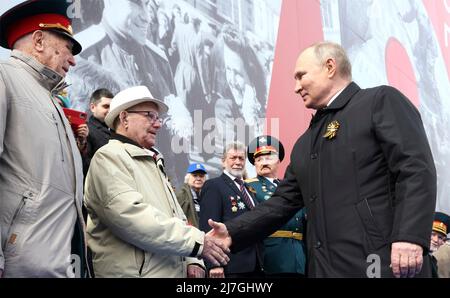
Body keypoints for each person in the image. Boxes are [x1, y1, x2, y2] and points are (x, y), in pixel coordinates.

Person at [207, 41, 437, 278]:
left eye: (301, 76)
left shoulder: (379, 101)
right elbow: (282, 202)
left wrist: (409, 235)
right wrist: (233, 232)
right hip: (325, 268)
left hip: (382, 262)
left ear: (329, 67)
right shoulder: (305, 143)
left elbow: (415, 169)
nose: (296, 87)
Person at [84, 85, 229, 277]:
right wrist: (197, 243)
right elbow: (131, 217)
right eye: (149, 116)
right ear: (124, 117)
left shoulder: (152, 160)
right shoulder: (108, 157)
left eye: (158, 117)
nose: (158, 124)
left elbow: (178, 218)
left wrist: (192, 260)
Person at [0, 0, 88, 277]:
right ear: (39, 40)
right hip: (18, 264)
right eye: (67, 48)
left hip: (51, 264)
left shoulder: (49, 99)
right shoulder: (4, 77)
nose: (73, 60)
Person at [199, 142, 263, 278]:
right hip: (231, 265)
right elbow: (209, 226)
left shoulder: (248, 188)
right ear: (223, 162)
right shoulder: (214, 186)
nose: (238, 162)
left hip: (256, 264)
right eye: (233, 158)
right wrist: (214, 264)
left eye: (241, 158)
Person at [246, 135, 306, 277]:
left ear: (278, 160)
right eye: (259, 159)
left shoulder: (289, 187)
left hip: (298, 253)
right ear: (254, 164)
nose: (264, 162)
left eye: (268, 158)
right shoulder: (249, 186)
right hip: (272, 255)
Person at [83, 88, 113, 176]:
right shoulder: (86, 130)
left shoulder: (115, 132)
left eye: (112, 107)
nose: (110, 110)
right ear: (93, 107)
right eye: (106, 106)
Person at [176, 163, 208, 228]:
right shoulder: (180, 196)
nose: (198, 178)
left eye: (201, 176)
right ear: (187, 178)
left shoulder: (210, 195)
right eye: (195, 175)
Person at [429, 212, 450, 277]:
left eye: (440, 237)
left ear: (443, 242)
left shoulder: (432, 260)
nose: (436, 240)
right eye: (432, 234)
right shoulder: (416, 256)